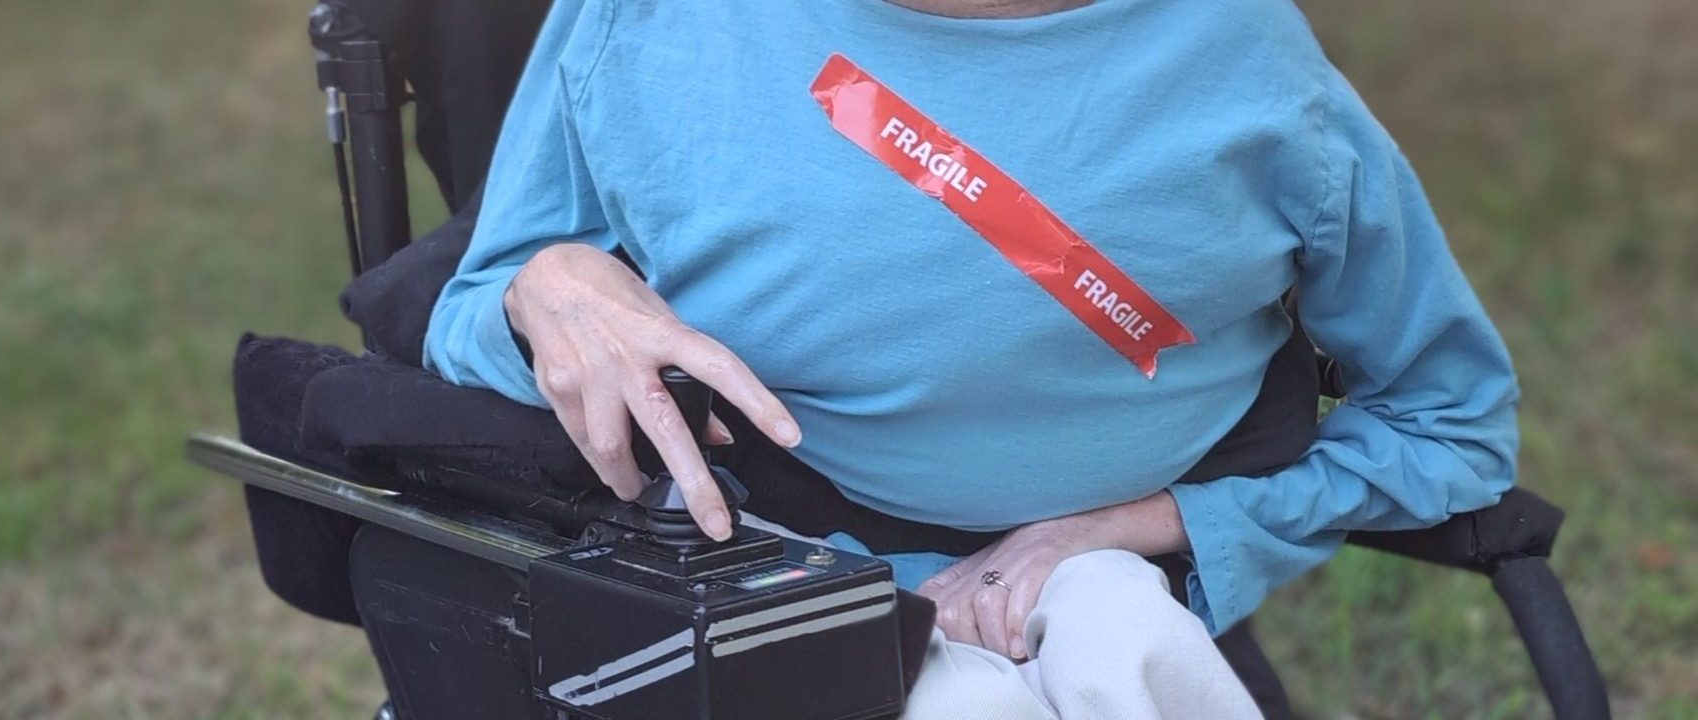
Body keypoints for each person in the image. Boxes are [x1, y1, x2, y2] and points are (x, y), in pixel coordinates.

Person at [424, 0, 1521, 716]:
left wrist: (1156, 526)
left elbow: (1449, 418)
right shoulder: (645, 20)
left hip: (1127, 587)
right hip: (779, 586)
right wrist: (544, 286)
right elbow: (465, 320)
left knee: (1112, 621)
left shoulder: (1244, 62)